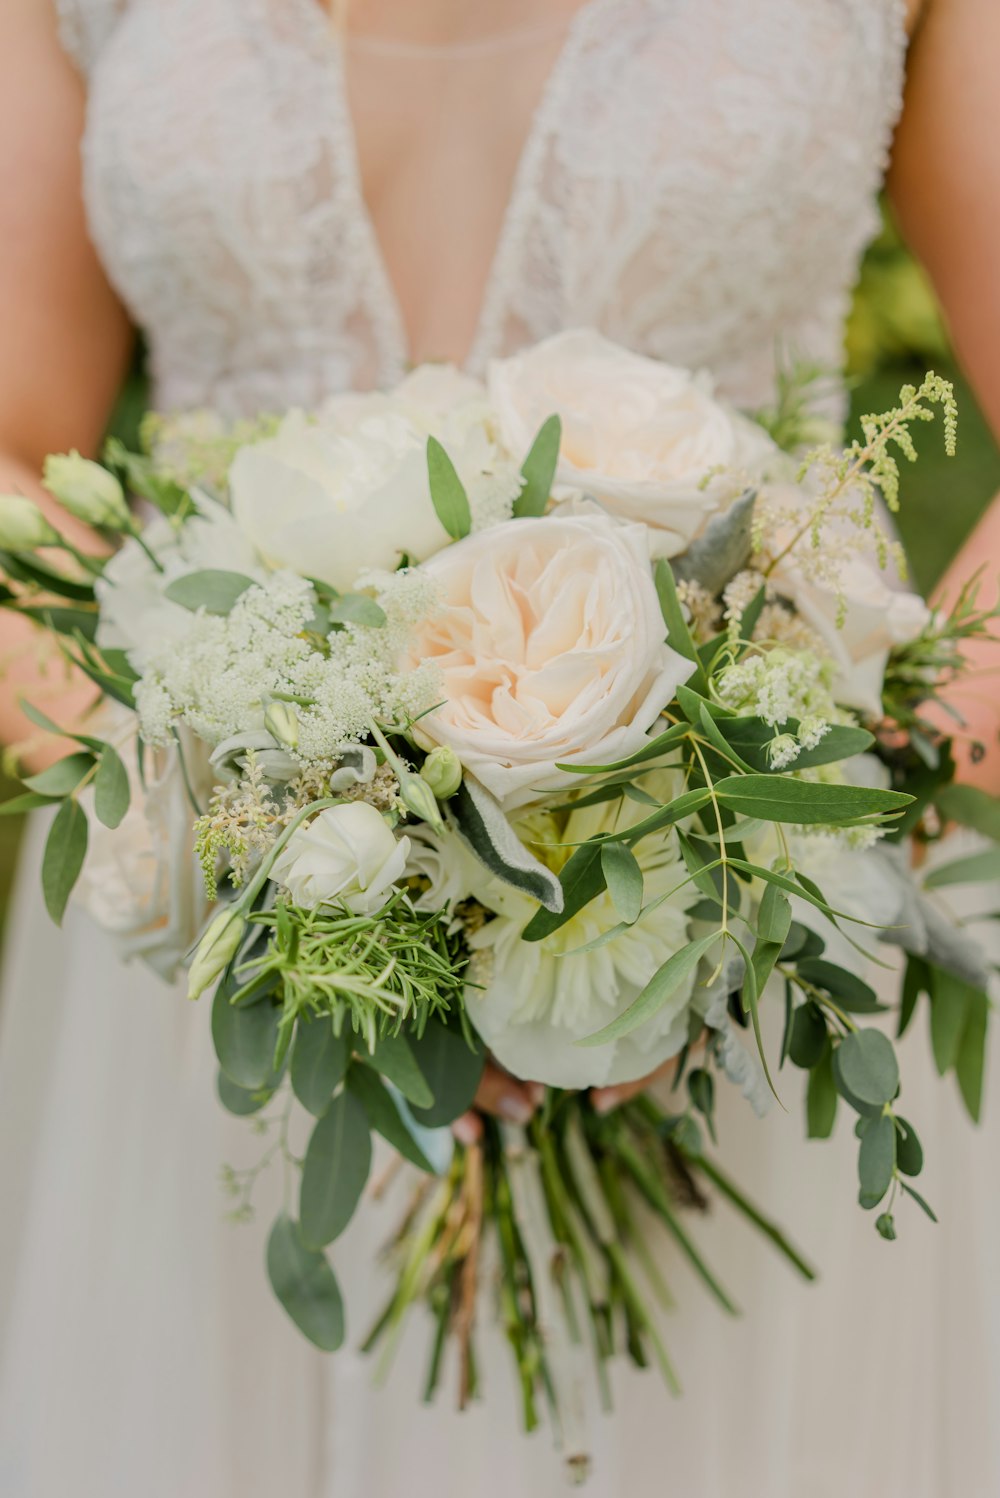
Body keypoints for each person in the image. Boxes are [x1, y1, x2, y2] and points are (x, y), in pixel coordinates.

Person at [0, 1, 997, 1494]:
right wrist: (260, 855)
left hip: (775, 978)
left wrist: (782, 849)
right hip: (217, 952)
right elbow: (19, 437)